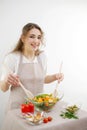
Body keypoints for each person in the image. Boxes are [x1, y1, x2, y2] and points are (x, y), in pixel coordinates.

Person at [0, 22, 64, 113]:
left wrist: (55, 76)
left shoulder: (42, 57)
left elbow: (43, 78)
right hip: (19, 108)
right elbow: (3, 88)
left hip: (39, 107)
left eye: (38, 37)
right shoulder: (12, 58)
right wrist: (7, 80)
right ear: (23, 38)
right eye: (32, 36)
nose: (36, 41)